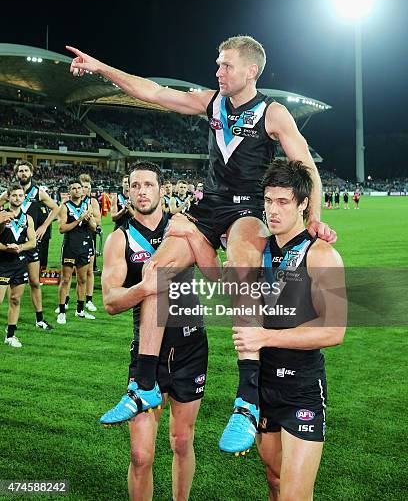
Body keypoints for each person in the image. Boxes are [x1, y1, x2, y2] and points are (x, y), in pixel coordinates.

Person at [67, 35, 335, 454]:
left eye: (226, 65)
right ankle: (145, 384)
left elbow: (305, 165)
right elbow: (153, 92)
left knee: (244, 267)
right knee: (158, 270)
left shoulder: (273, 112)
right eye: (218, 64)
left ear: (251, 71)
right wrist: (101, 67)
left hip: (247, 208)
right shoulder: (212, 102)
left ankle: (247, 398)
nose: (218, 71)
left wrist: (315, 215)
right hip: (208, 207)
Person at [100, 162, 217, 501]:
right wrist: (145, 288)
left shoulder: (181, 228)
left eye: (148, 184)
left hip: (191, 347)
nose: (142, 191)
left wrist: (195, 235)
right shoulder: (119, 239)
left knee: (182, 441)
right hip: (147, 352)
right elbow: (110, 301)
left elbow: (214, 273)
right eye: (135, 185)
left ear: (161, 190)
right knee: (140, 455)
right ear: (128, 191)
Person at [232, 160, 346, 498]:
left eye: (283, 202)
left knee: (295, 494)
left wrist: (265, 336)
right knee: (275, 480)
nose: (273, 210)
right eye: (268, 201)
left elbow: (334, 330)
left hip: (302, 387)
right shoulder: (256, 250)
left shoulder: (322, 254)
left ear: (303, 204)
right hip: (262, 386)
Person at [0, 161, 57, 330]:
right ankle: (12, 322)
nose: (23, 173)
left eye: (26, 170)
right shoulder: (9, 193)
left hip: (29, 244)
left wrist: (44, 226)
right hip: (9, 243)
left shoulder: (38, 192)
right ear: (16, 174)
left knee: (34, 282)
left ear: (31, 173)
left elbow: (56, 207)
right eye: (20, 171)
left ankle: (39, 319)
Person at [56, 179, 98, 324]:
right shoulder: (65, 207)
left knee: (82, 279)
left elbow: (94, 227)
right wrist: (79, 219)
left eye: (79, 188)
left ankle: (80, 310)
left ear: (82, 190)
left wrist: (88, 221)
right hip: (70, 246)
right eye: (73, 188)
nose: (77, 190)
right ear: (70, 192)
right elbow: (61, 229)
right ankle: (61, 311)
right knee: (66, 279)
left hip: (84, 246)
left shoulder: (87, 205)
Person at [0, 183, 36, 347]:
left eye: (20, 195)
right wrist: (7, 248)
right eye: (14, 195)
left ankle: (10, 335)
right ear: (8, 197)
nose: (17, 198)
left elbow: (33, 242)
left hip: (19, 263)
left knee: (15, 300)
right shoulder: (1, 215)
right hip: (2, 263)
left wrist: (20, 247)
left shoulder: (27, 218)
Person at [80, 173, 102, 311]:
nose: (84, 189)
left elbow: (98, 220)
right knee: (68, 273)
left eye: (87, 187)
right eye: (82, 186)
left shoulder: (92, 202)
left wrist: (88, 218)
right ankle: (64, 302)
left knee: (89, 271)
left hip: (89, 237)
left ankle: (89, 300)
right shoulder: (70, 201)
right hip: (72, 239)